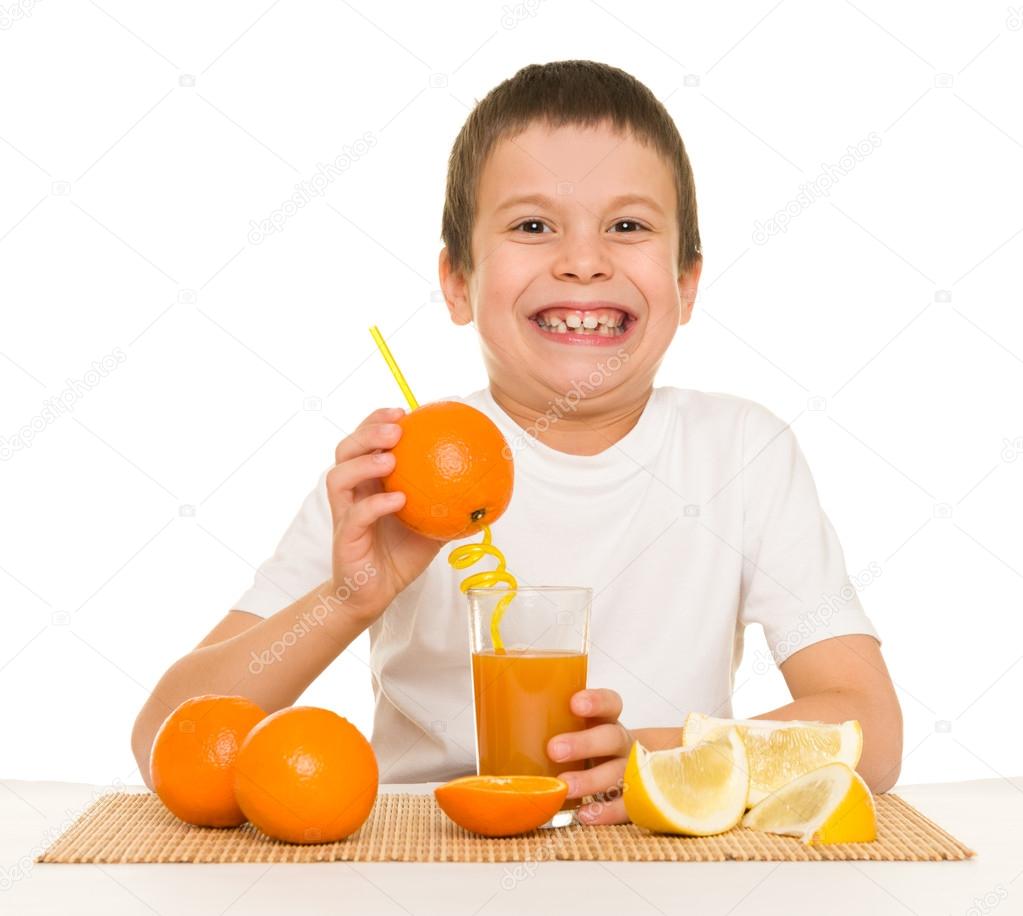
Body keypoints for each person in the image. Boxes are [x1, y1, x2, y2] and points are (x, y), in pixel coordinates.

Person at [132, 60, 902, 824]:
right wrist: (347, 600)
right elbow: (167, 736)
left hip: (663, 864)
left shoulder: (740, 452)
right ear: (458, 282)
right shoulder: (396, 473)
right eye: (532, 226)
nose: (583, 260)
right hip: (429, 859)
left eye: (626, 226)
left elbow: (869, 728)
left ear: (687, 281)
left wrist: (654, 755)